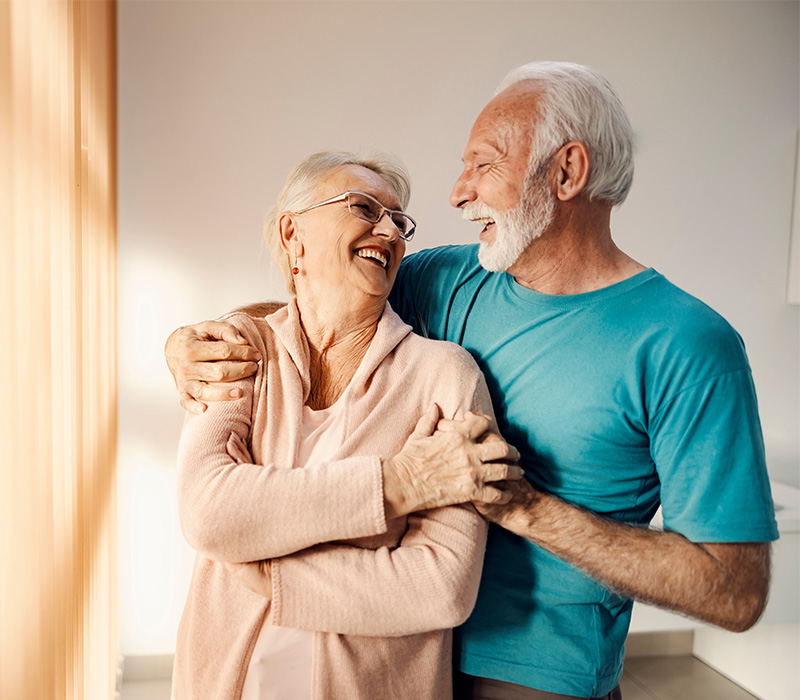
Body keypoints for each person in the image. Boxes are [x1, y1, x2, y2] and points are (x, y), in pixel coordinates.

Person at [166, 62, 778, 700]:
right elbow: (321, 300)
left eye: (483, 165)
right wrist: (196, 340)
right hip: (393, 664)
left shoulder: (689, 343)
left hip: (528, 681)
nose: (458, 193)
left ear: (567, 172)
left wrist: (527, 508)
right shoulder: (450, 280)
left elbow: (734, 588)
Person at [171, 150, 522, 700]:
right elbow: (208, 512)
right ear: (293, 235)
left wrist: (272, 575)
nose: (389, 230)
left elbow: (442, 586)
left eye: (399, 221)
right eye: (363, 207)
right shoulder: (238, 348)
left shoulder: (445, 374)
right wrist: (401, 482)